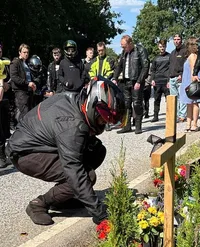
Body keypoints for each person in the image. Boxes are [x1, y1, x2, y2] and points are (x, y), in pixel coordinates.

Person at [6, 76, 127, 225]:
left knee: (97, 151)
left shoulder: (76, 101)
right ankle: (39, 204)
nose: (104, 124)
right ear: (91, 106)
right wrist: (100, 213)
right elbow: (74, 170)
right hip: (25, 153)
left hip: (37, 142)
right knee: (87, 177)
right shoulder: (71, 125)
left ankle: (64, 198)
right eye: (103, 119)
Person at [112, 35, 149, 134]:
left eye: (124, 46)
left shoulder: (140, 50)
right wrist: (115, 78)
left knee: (137, 103)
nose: (123, 48)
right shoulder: (124, 52)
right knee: (126, 104)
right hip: (126, 81)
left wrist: (139, 81)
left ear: (130, 43)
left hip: (136, 81)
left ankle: (138, 126)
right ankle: (127, 126)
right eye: (122, 46)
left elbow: (145, 66)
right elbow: (119, 66)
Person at [180, 37, 200, 132]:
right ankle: (189, 123)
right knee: (189, 104)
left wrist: (192, 83)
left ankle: (193, 123)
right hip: (188, 81)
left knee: (194, 103)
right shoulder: (192, 56)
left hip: (191, 82)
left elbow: (193, 69)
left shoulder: (193, 56)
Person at [10, 44, 37, 122]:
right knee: (24, 114)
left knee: (30, 113)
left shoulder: (27, 63)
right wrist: (27, 83)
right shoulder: (15, 63)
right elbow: (14, 77)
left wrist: (33, 84)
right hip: (20, 91)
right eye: (24, 52)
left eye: (27, 52)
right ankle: (21, 132)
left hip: (28, 91)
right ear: (19, 52)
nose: (26, 54)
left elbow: (29, 77)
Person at [150, 39, 170, 122]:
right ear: (158, 47)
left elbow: (171, 69)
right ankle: (155, 116)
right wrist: (152, 80)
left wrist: (169, 80)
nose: (162, 48)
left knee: (169, 100)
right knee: (156, 100)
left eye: (164, 46)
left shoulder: (169, 56)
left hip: (166, 81)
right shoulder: (155, 58)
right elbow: (153, 70)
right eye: (161, 47)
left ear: (166, 46)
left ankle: (170, 116)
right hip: (157, 82)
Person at [168, 34, 187, 122]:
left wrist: (182, 75)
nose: (176, 41)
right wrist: (168, 79)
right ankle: (175, 115)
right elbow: (170, 66)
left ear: (181, 40)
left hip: (181, 78)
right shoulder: (172, 53)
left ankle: (182, 115)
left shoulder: (185, 51)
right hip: (172, 78)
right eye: (175, 39)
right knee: (174, 98)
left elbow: (187, 65)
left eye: (178, 39)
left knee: (182, 97)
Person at [0, 43, 12, 168]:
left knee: (4, 128)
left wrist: (8, 84)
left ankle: (3, 154)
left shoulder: (5, 62)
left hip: (5, 99)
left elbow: (11, 77)